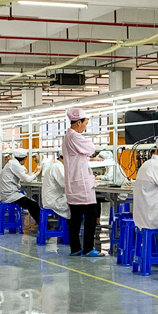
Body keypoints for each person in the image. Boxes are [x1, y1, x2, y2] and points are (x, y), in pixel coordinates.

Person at [62, 108, 104, 257]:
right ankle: (88, 248)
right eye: (85, 123)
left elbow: (77, 156)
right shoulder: (76, 136)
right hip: (81, 184)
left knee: (75, 217)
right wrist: (91, 153)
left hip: (73, 184)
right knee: (91, 214)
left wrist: (91, 159)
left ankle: (75, 248)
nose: (85, 127)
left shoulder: (68, 136)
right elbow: (90, 148)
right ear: (78, 122)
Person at [0, 148, 42, 231]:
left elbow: (24, 175)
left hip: (7, 193)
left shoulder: (12, 163)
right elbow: (27, 179)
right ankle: (45, 226)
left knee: (31, 204)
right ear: (25, 158)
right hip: (10, 195)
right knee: (33, 205)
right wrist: (37, 173)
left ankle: (41, 224)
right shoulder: (15, 165)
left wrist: (33, 174)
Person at [42, 151, 70, 220]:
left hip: (52, 198)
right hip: (53, 201)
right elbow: (64, 183)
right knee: (77, 202)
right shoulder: (58, 166)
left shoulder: (56, 165)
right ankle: (71, 225)